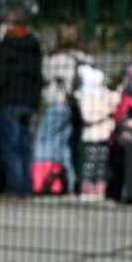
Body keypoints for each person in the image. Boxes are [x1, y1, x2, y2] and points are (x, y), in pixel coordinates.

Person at [0, 10, 43, 195]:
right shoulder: (34, 47)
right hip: (29, 102)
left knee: (10, 146)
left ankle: (14, 188)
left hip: (9, 101)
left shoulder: (5, 48)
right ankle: (25, 186)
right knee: (24, 145)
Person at [38, 25, 85, 189]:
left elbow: (45, 76)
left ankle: (45, 181)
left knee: (44, 141)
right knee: (64, 144)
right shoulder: (81, 58)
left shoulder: (54, 58)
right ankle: (69, 183)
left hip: (56, 102)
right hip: (70, 105)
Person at [74, 61, 118, 200]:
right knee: (90, 165)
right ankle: (87, 191)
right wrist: (107, 112)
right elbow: (88, 116)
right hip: (91, 137)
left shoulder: (105, 93)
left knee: (102, 165)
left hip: (105, 136)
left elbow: (117, 101)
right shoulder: (84, 95)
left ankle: (100, 191)